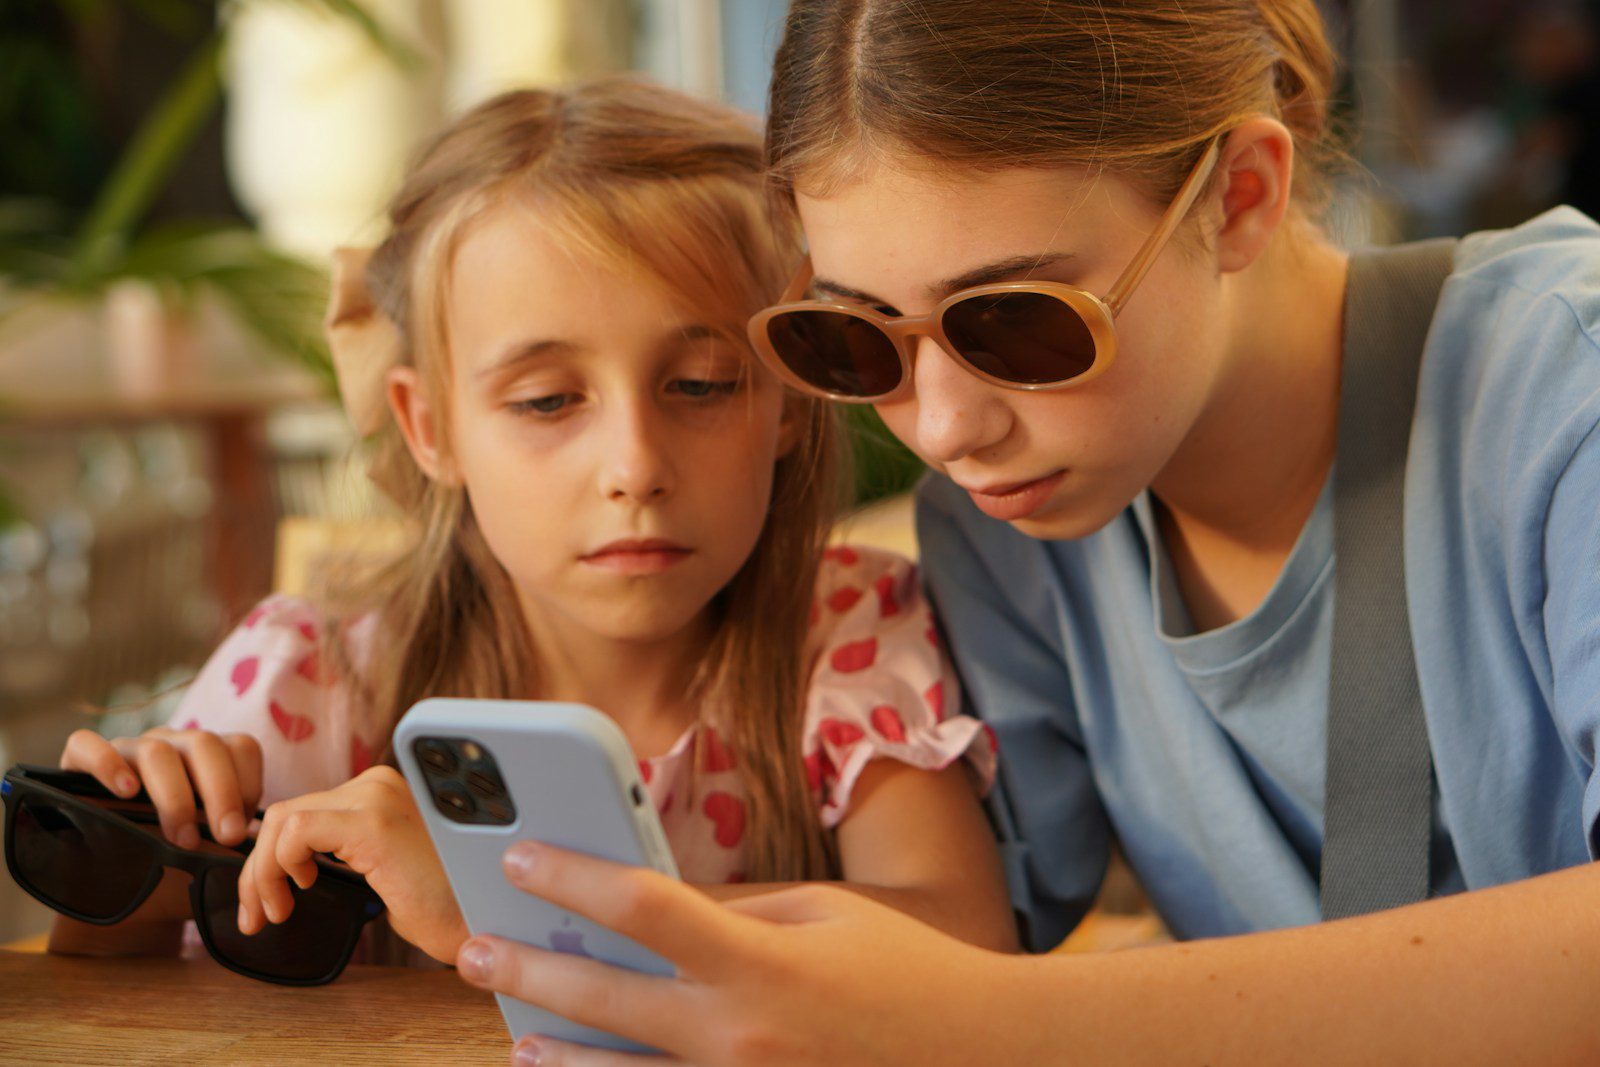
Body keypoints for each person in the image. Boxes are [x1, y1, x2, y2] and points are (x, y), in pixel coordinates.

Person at [456, 3, 1600, 1063]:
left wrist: (997, 1021)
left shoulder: (1564, 383)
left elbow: (962, 995)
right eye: (859, 341)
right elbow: (928, 949)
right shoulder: (1010, 539)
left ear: (1238, 196)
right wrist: (485, 892)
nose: (944, 428)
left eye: (1015, 320)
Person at [48, 77, 1016, 969]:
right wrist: (138, 861)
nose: (634, 466)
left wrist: (500, 905)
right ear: (430, 427)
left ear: (789, 406)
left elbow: (961, 937)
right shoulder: (311, 680)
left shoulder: (840, 634)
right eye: (549, 400)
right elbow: (112, 997)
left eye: (701, 383)